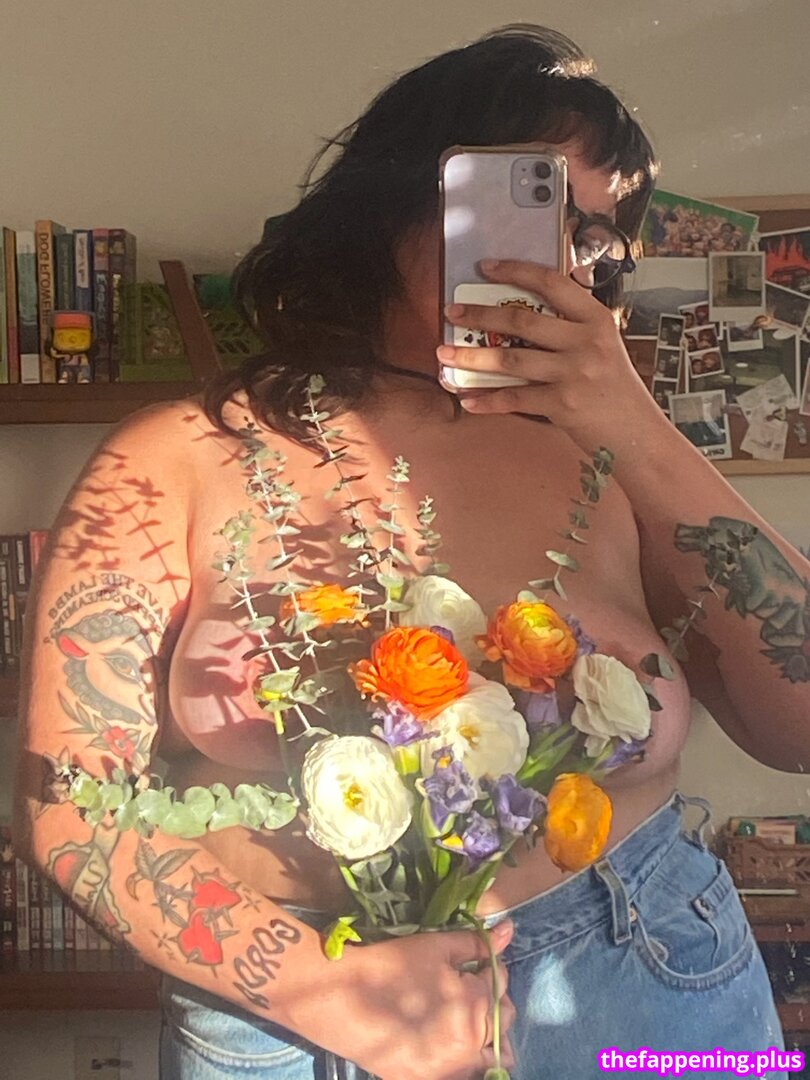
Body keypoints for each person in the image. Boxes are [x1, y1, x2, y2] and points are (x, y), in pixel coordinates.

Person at [15, 24, 808, 1080]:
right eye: (526, 203)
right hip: (276, 1017)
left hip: (640, 978)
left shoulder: (620, 467)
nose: (565, 258)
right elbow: (68, 801)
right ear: (392, 203)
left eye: (597, 236)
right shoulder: (176, 459)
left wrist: (639, 430)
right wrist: (318, 989)